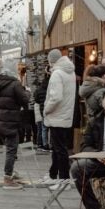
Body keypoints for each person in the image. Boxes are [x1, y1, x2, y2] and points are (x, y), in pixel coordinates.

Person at [41, 49, 76, 189]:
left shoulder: (57, 74)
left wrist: (46, 110)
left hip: (56, 116)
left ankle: (64, 179)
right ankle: (53, 175)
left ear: (51, 61)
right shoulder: (70, 72)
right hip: (66, 115)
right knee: (59, 148)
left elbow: (55, 97)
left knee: (59, 149)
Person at [0, 69, 31, 189]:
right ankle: (8, 178)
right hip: (11, 121)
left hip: (1, 120)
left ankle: (11, 173)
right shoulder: (15, 84)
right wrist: (27, 93)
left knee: (10, 148)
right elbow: (24, 99)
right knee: (11, 150)